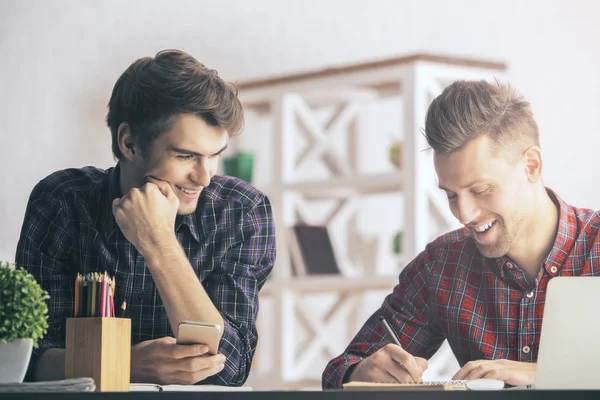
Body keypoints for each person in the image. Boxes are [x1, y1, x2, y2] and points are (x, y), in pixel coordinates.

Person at [16, 49, 276, 386]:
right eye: (186, 156)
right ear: (129, 143)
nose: (205, 177)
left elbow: (228, 368)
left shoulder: (241, 210)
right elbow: (25, 358)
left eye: (215, 156)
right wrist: (123, 363)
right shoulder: (62, 201)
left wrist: (159, 242)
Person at [322, 79, 600, 389]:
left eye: (480, 190)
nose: (464, 214)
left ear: (531, 166)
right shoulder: (442, 266)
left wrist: (544, 375)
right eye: (451, 195)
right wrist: (362, 373)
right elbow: (339, 371)